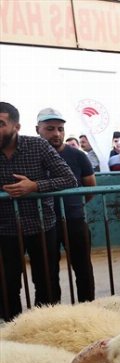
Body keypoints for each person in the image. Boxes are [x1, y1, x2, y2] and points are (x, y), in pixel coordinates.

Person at [0, 102, 77, 321]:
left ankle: (45, 327)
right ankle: (11, 332)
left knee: (46, 282)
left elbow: (69, 179)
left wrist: (34, 186)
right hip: (5, 229)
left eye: (0, 123)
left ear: (16, 126)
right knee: (7, 285)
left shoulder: (37, 146)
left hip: (42, 226)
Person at [36, 108, 96, 303]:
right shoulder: (31, 156)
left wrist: (75, 206)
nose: (56, 133)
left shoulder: (78, 156)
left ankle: (88, 310)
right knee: (47, 271)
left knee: (83, 269)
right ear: (38, 129)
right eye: (50, 128)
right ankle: (52, 314)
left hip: (74, 220)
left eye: (60, 129)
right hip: (44, 223)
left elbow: (90, 188)